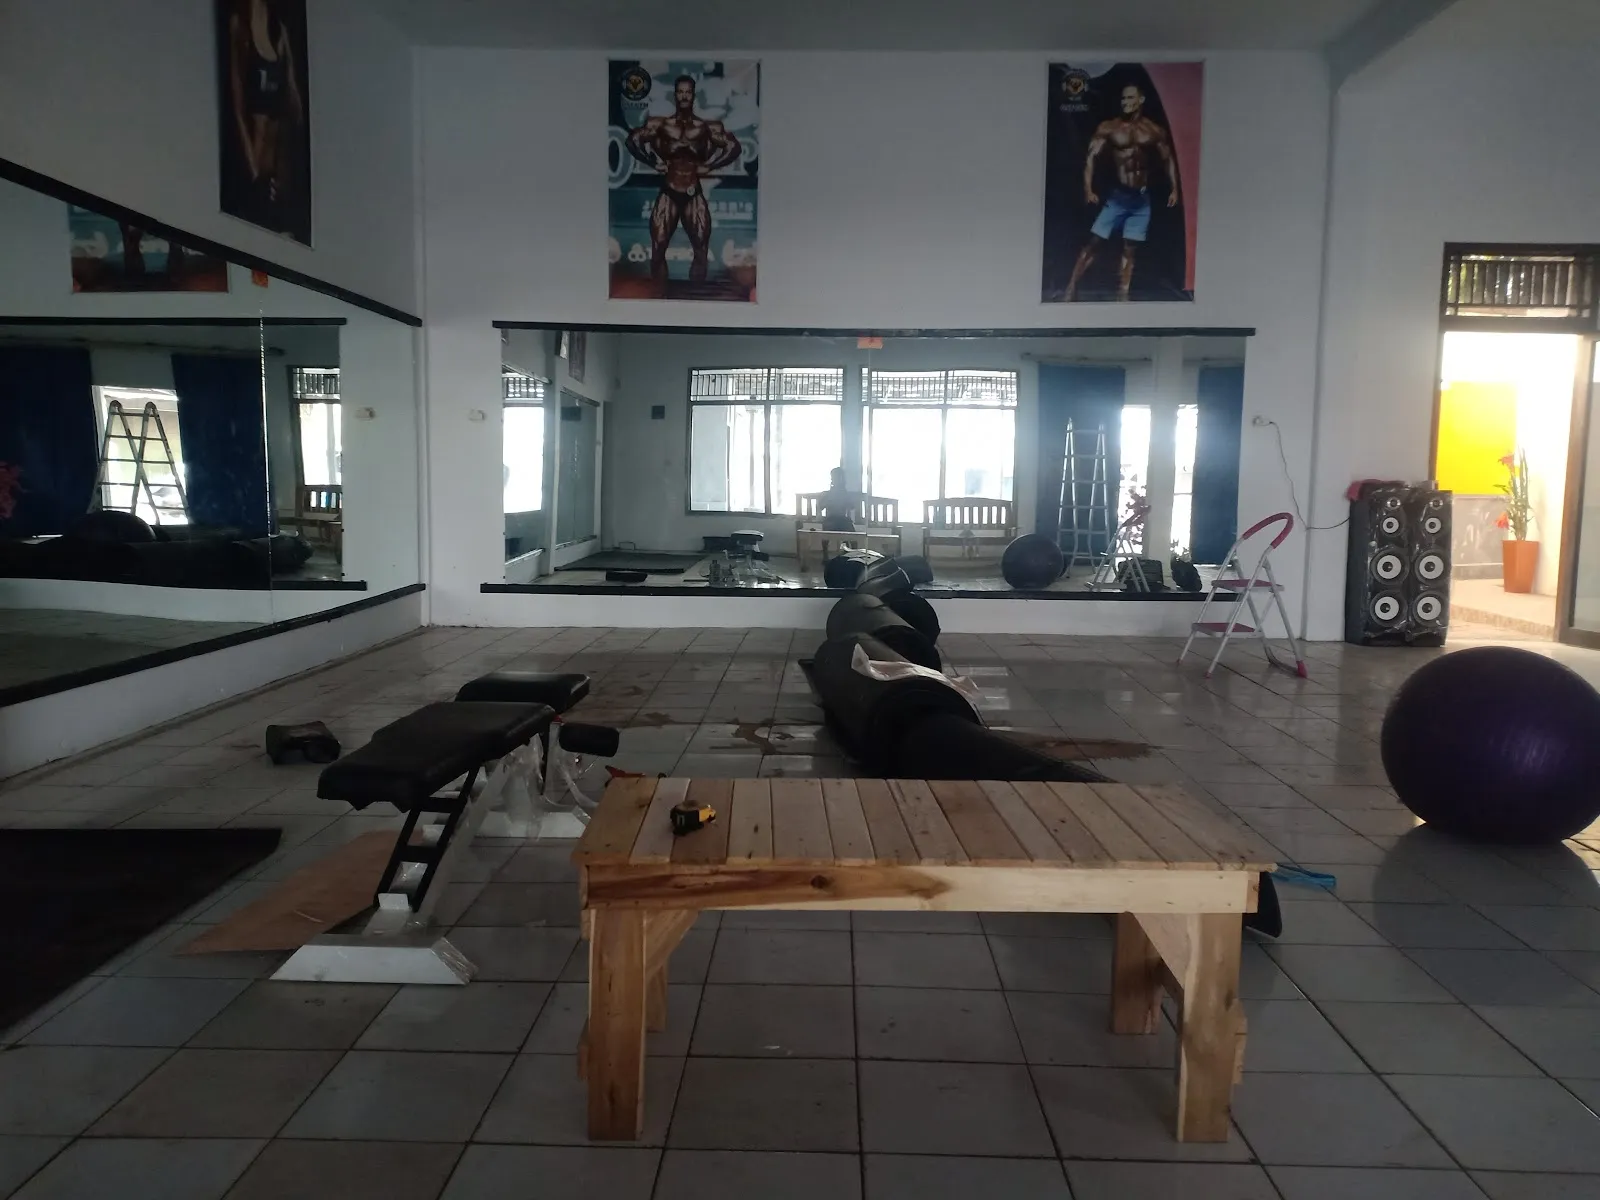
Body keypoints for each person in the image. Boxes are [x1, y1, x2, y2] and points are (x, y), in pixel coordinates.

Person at [1064, 82, 1180, 302]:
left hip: (1141, 200)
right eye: (1123, 99)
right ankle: (1071, 288)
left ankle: (1122, 295)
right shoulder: (1110, 128)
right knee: (1095, 242)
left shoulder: (1153, 130)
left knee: (1130, 249)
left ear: (1140, 100)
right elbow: (1091, 158)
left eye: (1130, 98)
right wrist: (1088, 188)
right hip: (1118, 197)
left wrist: (1175, 188)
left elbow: (1168, 159)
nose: (1125, 102)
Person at [625, 75, 743, 288]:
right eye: (680, 92)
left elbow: (734, 147)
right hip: (668, 192)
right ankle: (660, 295)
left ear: (693, 95)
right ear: (675, 95)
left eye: (688, 92)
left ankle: (695, 298)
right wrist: (652, 162)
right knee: (658, 248)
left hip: (692, 193)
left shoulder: (706, 127)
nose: (684, 96)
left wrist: (711, 166)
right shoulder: (660, 125)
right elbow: (632, 140)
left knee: (701, 250)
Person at [224, 0, 306, 237]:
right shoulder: (240, 25)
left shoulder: (279, 30)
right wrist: (253, 173)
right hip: (254, 168)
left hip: (279, 174)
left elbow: (295, 108)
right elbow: (238, 108)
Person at [819, 467, 858, 533]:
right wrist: (829, 501)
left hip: (842, 520)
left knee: (852, 535)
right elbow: (821, 506)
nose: (833, 480)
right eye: (833, 478)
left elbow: (852, 506)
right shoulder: (829, 493)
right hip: (831, 520)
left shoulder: (844, 493)